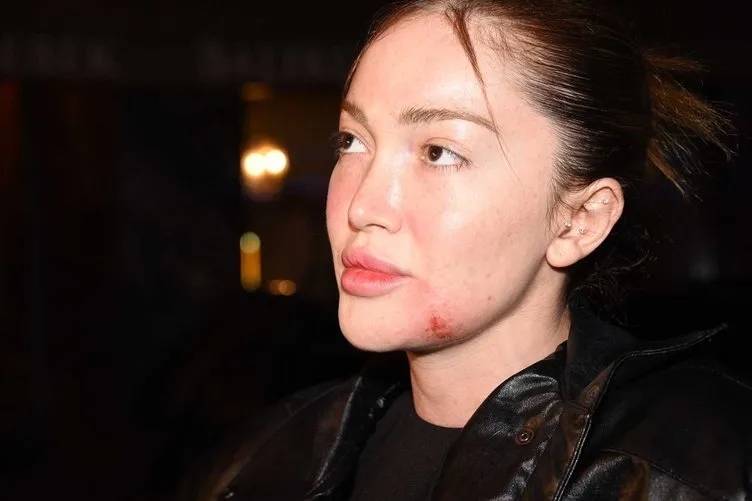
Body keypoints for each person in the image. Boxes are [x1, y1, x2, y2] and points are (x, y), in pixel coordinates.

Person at [182, 0, 752, 499]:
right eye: (352, 141)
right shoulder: (258, 461)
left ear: (579, 220)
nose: (363, 205)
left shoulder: (696, 473)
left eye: (439, 152)